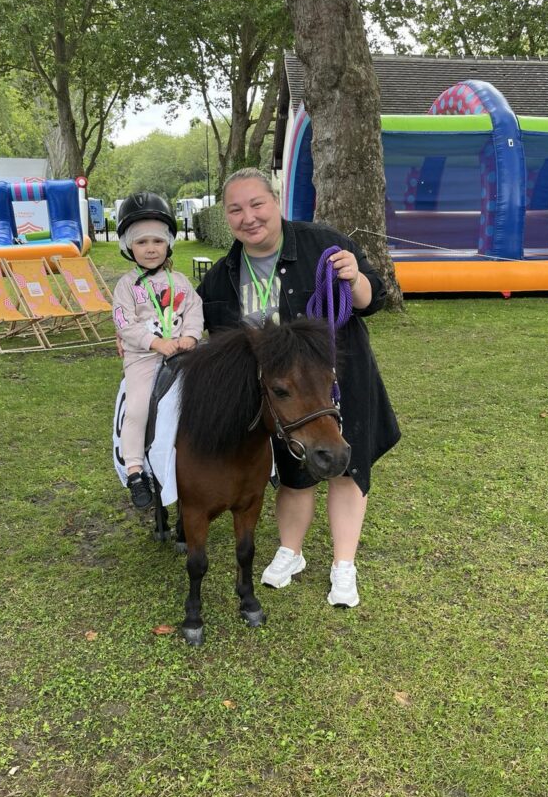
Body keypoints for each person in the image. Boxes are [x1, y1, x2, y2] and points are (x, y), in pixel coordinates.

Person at [197, 167, 399, 607]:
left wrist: (356, 280)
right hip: (284, 401)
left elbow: (373, 298)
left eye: (257, 204)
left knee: (346, 468)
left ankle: (343, 566)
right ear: (226, 217)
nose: (248, 217)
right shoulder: (221, 277)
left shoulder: (325, 244)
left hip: (336, 387)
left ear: (276, 203)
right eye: (235, 209)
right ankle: (291, 551)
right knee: (294, 475)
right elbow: (208, 336)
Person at [113, 192, 204, 509]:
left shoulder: (180, 281)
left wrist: (191, 337)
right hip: (144, 358)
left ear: (168, 244)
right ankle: (136, 470)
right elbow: (124, 322)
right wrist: (155, 343)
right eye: (141, 242)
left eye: (157, 241)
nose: (150, 248)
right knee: (137, 408)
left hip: (183, 355)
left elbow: (194, 310)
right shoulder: (126, 286)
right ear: (128, 247)